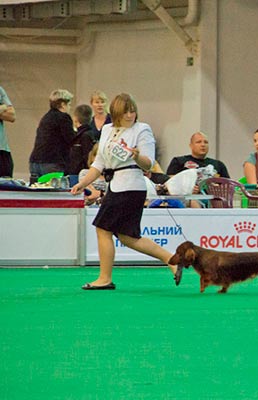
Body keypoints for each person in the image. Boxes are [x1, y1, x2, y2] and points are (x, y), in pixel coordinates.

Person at [70, 93, 177, 290]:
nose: (130, 115)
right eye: (125, 112)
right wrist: (82, 183)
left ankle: (104, 278)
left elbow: (149, 163)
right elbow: (99, 163)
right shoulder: (107, 130)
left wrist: (137, 157)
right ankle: (172, 259)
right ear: (116, 113)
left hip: (131, 186)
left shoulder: (142, 129)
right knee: (128, 237)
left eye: (132, 111)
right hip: (116, 186)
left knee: (103, 228)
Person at [29, 89, 75, 181]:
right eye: (69, 104)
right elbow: (71, 139)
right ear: (63, 104)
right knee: (54, 190)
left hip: (35, 161)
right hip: (52, 162)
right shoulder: (64, 117)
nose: (70, 107)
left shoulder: (46, 117)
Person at [66, 104, 95, 176]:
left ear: (76, 119)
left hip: (79, 173)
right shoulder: (90, 134)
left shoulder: (84, 136)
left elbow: (87, 157)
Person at [0, 86, 16, 178]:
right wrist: (3, 107)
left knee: (6, 183)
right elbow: (7, 108)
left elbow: (12, 116)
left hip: (2, 151)